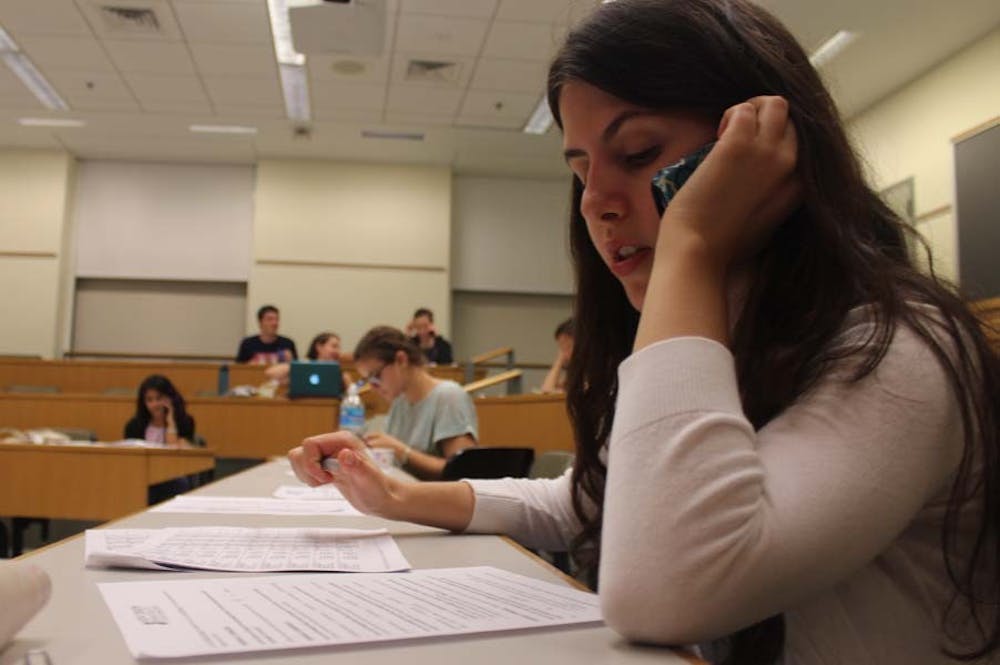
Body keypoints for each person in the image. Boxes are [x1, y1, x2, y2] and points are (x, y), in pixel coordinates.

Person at [288, 1, 1000, 663]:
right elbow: (586, 498)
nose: (596, 200)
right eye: (580, 169)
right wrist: (397, 495)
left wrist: (690, 242)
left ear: (764, 154)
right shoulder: (730, 334)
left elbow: (665, 587)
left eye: (637, 154)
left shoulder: (901, 347)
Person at [347, 325, 475, 479]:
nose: (373, 388)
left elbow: (464, 472)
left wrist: (402, 452)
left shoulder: (449, 396)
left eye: (375, 377)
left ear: (401, 360)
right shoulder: (399, 402)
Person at [125, 374, 197, 504]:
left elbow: (175, 453)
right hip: (143, 476)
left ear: (169, 398)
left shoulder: (185, 422)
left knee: (177, 484)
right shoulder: (134, 425)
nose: (154, 404)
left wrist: (171, 422)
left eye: (159, 398)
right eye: (149, 400)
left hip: (171, 476)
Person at [264, 331, 348, 385]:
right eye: (334, 346)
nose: (337, 351)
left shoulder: (341, 374)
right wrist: (301, 365)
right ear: (319, 347)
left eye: (338, 348)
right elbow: (270, 373)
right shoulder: (303, 367)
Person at [540, 318, 574, 393]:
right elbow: (546, 390)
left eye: (568, 346)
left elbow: (548, 391)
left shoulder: (593, 371)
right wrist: (559, 360)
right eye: (561, 348)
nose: (564, 354)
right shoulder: (573, 371)